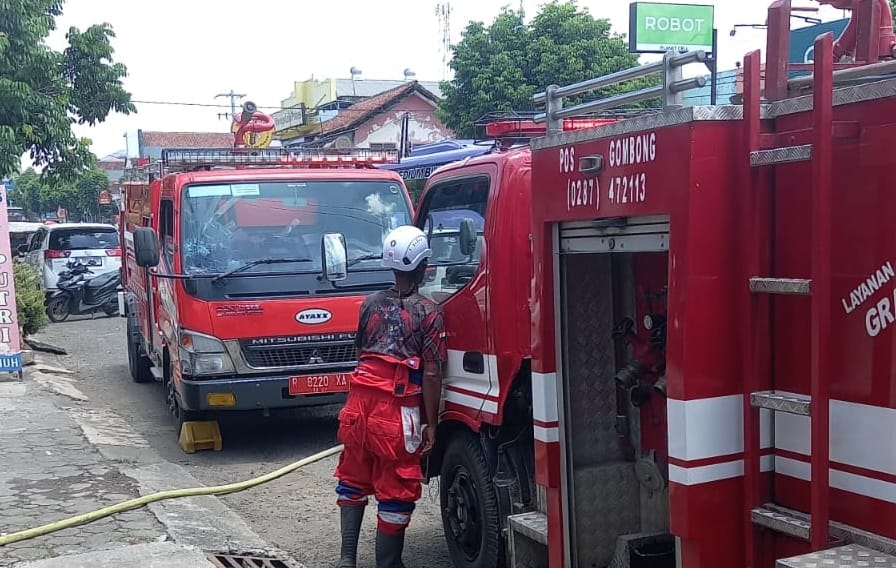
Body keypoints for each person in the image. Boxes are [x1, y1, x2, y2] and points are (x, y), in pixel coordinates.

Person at [333, 225, 446, 568]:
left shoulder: (368, 305)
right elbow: (431, 372)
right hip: (396, 411)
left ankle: (347, 559)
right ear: (423, 267)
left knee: (353, 477)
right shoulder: (429, 313)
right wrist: (431, 424)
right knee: (396, 486)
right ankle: (388, 563)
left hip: (358, 405)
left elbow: (360, 353)